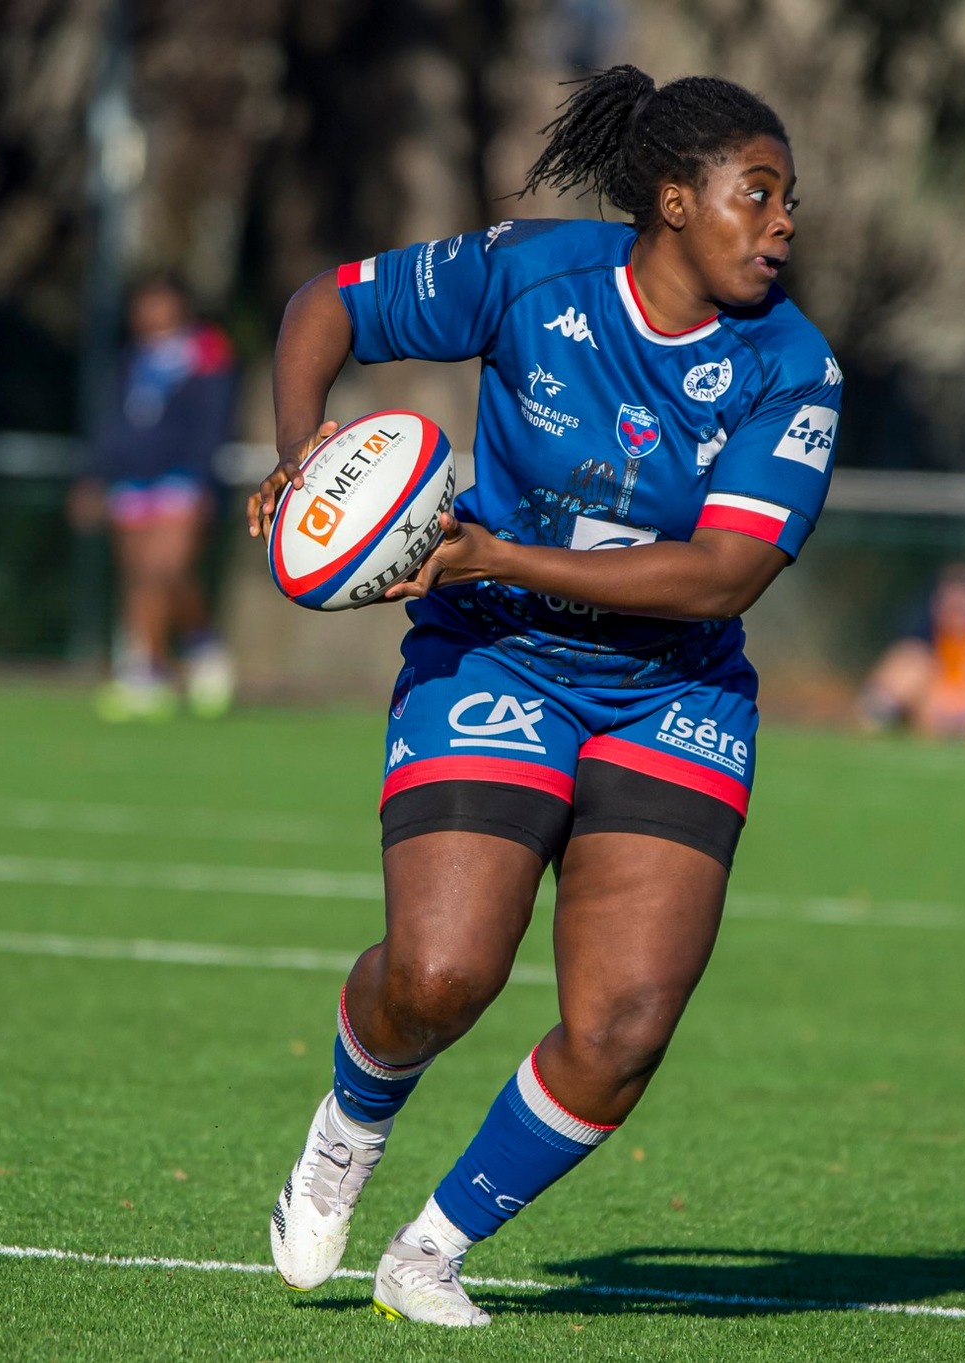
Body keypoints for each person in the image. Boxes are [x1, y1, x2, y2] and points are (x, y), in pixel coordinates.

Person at [247, 67, 836, 1327]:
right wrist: (305, 462)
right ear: (672, 201)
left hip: (670, 689)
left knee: (623, 1026)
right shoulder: (531, 273)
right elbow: (324, 304)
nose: (784, 222)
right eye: (758, 194)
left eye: (788, 199)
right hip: (497, 653)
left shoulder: (794, 365)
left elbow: (720, 576)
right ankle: (350, 1120)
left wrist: (496, 551)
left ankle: (430, 1249)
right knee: (439, 975)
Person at [68, 274, 237, 722]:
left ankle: (202, 644)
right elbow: (112, 422)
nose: (148, 313)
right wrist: (94, 476)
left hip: (182, 479)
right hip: (132, 481)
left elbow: (214, 421)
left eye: (158, 303)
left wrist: (203, 480)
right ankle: (148, 671)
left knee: (171, 569)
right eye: (143, 304)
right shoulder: (132, 359)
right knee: (140, 577)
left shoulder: (207, 353)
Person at [859, 562, 965, 736]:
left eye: (963, 607)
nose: (957, 615)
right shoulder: (914, 656)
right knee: (908, 663)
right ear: (936, 605)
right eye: (952, 606)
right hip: (924, 717)